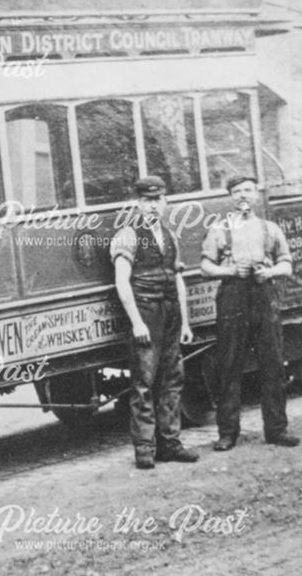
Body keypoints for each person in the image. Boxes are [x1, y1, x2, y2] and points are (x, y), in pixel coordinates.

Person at [200, 176, 299, 451]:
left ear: (256, 195)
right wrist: (230, 270)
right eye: (237, 191)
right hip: (233, 298)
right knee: (229, 366)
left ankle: (277, 429)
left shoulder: (270, 229)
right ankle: (228, 433)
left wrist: (270, 272)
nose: (243, 195)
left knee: (273, 364)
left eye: (248, 190)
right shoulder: (220, 229)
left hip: (263, 295)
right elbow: (206, 267)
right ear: (231, 197)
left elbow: (287, 265)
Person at [110, 176, 198, 470]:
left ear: (165, 202)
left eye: (157, 200)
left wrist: (185, 323)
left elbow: (178, 279)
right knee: (144, 384)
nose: (152, 206)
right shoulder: (127, 234)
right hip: (146, 314)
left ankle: (170, 444)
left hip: (171, 313)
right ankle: (145, 449)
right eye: (147, 200)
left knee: (173, 380)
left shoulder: (170, 235)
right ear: (138, 203)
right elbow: (122, 282)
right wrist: (136, 322)